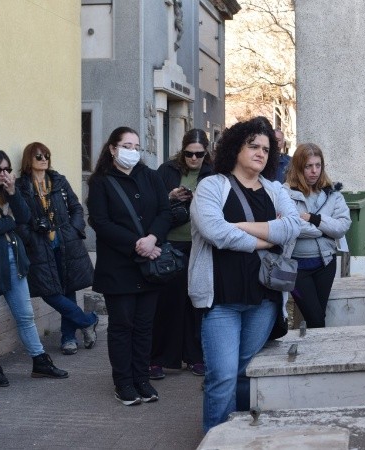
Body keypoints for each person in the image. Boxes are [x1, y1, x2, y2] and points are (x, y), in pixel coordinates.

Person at [188, 117, 301, 432]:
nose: (260, 153)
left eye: (266, 148)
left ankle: (236, 435)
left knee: (243, 372)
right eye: (253, 146)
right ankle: (215, 438)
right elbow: (215, 231)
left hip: (264, 299)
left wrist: (240, 226)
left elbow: (293, 226)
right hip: (222, 300)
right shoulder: (212, 185)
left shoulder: (274, 190)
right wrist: (267, 239)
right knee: (222, 375)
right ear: (236, 148)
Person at [0, 149, 69, 388]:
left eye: (7, 169)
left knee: (25, 314)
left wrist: (12, 192)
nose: (3, 174)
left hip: (15, 259)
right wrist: (9, 221)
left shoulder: (8, 190)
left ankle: (40, 361)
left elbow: (25, 216)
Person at [86, 126, 171, 406]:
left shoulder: (150, 176)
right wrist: (137, 243)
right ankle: (123, 382)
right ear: (113, 149)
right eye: (126, 146)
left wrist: (153, 238)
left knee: (145, 326)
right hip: (118, 266)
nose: (132, 151)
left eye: (136, 147)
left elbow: (165, 211)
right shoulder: (101, 182)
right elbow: (100, 222)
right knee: (122, 326)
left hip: (149, 265)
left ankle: (142, 379)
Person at [16, 142, 99, 356]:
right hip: (39, 245)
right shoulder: (22, 186)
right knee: (48, 291)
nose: (44, 159)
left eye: (46, 155)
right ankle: (88, 320)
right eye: (39, 156)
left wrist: (73, 230)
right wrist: (30, 237)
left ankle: (68, 338)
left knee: (68, 288)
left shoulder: (58, 181)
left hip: (64, 241)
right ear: (28, 159)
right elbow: (19, 219)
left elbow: (76, 208)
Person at [149, 129, 213, 380]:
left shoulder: (213, 173)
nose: (194, 158)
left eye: (199, 154)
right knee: (167, 305)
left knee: (196, 304)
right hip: (171, 245)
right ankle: (159, 359)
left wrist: (199, 199)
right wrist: (170, 196)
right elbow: (150, 204)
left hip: (200, 246)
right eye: (189, 154)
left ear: (206, 153)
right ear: (182, 150)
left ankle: (195, 356)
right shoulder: (166, 171)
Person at [282, 143, 351, 328]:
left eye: (318, 165)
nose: (314, 171)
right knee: (315, 318)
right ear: (298, 167)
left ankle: (313, 346)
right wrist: (323, 229)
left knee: (319, 315)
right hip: (296, 268)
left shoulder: (333, 194)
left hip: (325, 264)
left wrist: (314, 219)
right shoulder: (285, 194)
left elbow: (342, 227)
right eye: (308, 166)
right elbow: (289, 226)